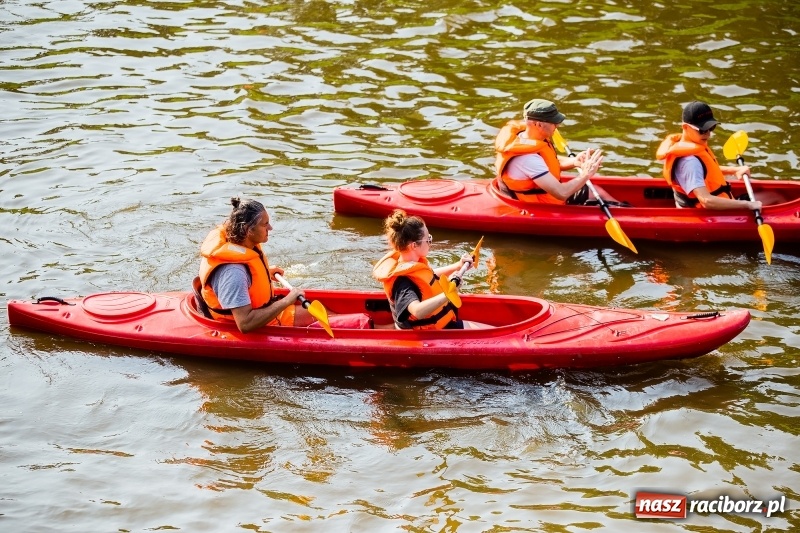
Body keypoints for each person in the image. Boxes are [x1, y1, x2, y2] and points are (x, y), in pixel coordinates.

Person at [197, 197, 372, 333]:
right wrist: (288, 300)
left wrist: (266, 271)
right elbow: (245, 324)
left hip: (261, 310)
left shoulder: (240, 244)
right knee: (330, 320)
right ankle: (378, 329)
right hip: (250, 324)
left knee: (323, 310)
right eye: (265, 224)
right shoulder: (233, 272)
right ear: (248, 230)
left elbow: (247, 279)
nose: (270, 228)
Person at [372, 209, 491, 330]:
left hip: (441, 324)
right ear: (413, 245)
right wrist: (448, 294)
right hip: (429, 334)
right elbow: (417, 311)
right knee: (491, 333)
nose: (430, 243)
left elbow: (430, 276)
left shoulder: (411, 263)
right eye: (428, 239)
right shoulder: (403, 283)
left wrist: (458, 265)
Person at [656, 100, 785, 209]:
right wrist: (747, 204)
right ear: (685, 127)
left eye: (711, 128)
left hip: (716, 205)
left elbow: (706, 172)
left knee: (776, 195)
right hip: (708, 215)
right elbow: (707, 201)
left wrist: (734, 170)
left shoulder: (692, 147)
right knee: (777, 198)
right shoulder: (689, 162)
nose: (707, 134)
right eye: (702, 130)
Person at [494, 98, 608, 204]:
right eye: (554, 122)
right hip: (541, 207)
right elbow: (562, 193)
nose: (557, 125)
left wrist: (574, 161)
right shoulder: (527, 159)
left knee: (596, 191)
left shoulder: (526, 138)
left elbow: (547, 162)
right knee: (596, 194)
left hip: (548, 196)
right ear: (538, 124)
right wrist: (586, 174)